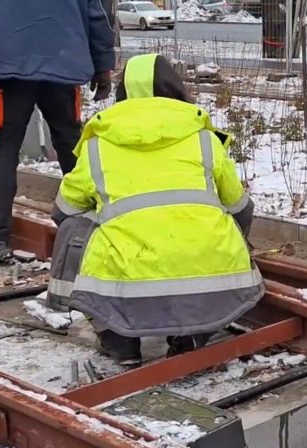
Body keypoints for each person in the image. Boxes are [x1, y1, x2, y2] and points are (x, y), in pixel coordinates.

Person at [50, 53, 262, 366]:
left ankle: (118, 338)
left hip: (129, 275)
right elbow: (241, 207)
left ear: (123, 94)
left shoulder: (98, 144)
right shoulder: (204, 138)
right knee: (221, 223)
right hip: (210, 279)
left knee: (75, 228)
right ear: (175, 88)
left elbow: (63, 209)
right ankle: (193, 334)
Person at [0, 0, 117, 264]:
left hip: (8, 66)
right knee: (73, 148)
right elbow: (98, 14)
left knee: (1, 151)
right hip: (63, 64)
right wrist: (103, 66)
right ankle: (92, 230)